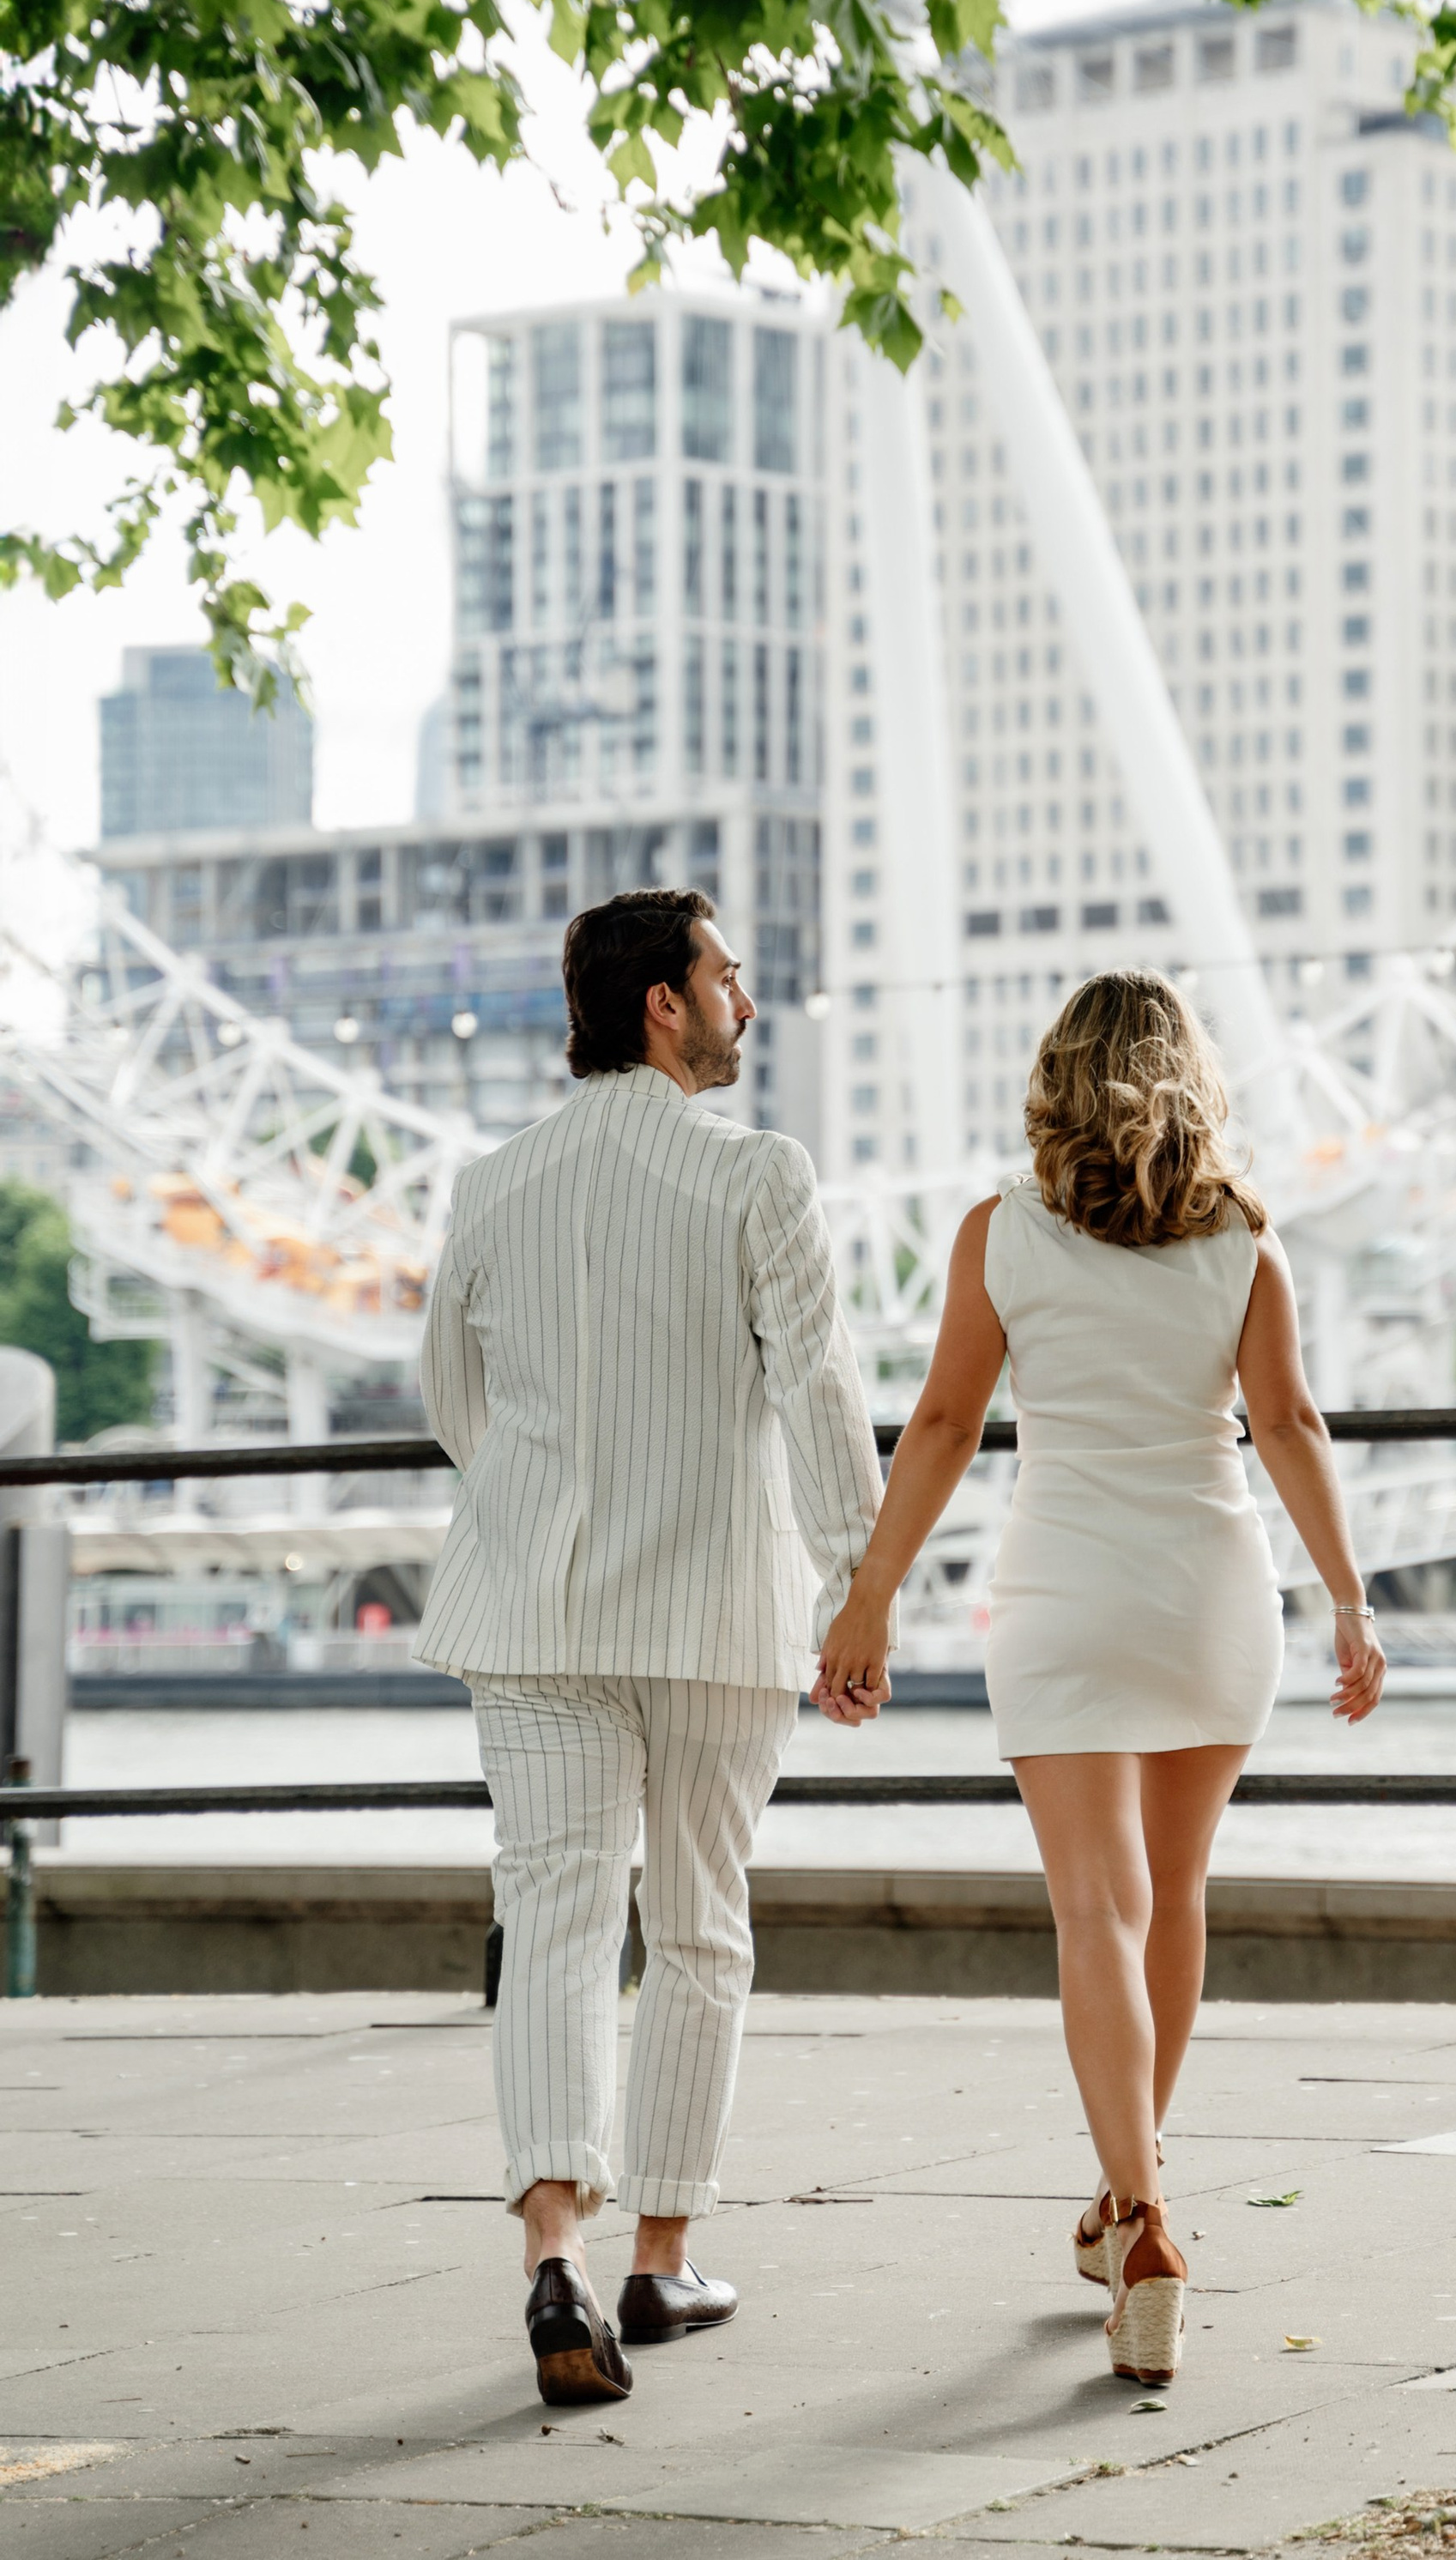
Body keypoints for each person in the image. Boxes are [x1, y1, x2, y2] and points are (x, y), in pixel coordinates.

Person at [816, 968, 1384, 2388]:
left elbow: (947, 1422)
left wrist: (871, 1595)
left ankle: (1139, 2217)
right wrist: (1350, 1600)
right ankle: (1133, 2211)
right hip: (1210, 1588)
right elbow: (1291, 1423)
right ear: (1187, 1077)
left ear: (1057, 1080)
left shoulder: (998, 1234)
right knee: (1174, 1900)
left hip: (1064, 1590)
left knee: (1095, 1910)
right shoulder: (1246, 1241)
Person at [414, 889, 885, 2409]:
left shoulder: (491, 1183)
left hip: (535, 1607)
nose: (749, 1001)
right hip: (712, 1608)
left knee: (552, 1920)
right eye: (729, 977)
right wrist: (856, 1588)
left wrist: (543, 1500)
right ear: (663, 1006)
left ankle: (552, 2239)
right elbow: (816, 1394)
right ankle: (661, 2259)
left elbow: (452, 1401)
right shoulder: (757, 1177)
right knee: (697, 1929)